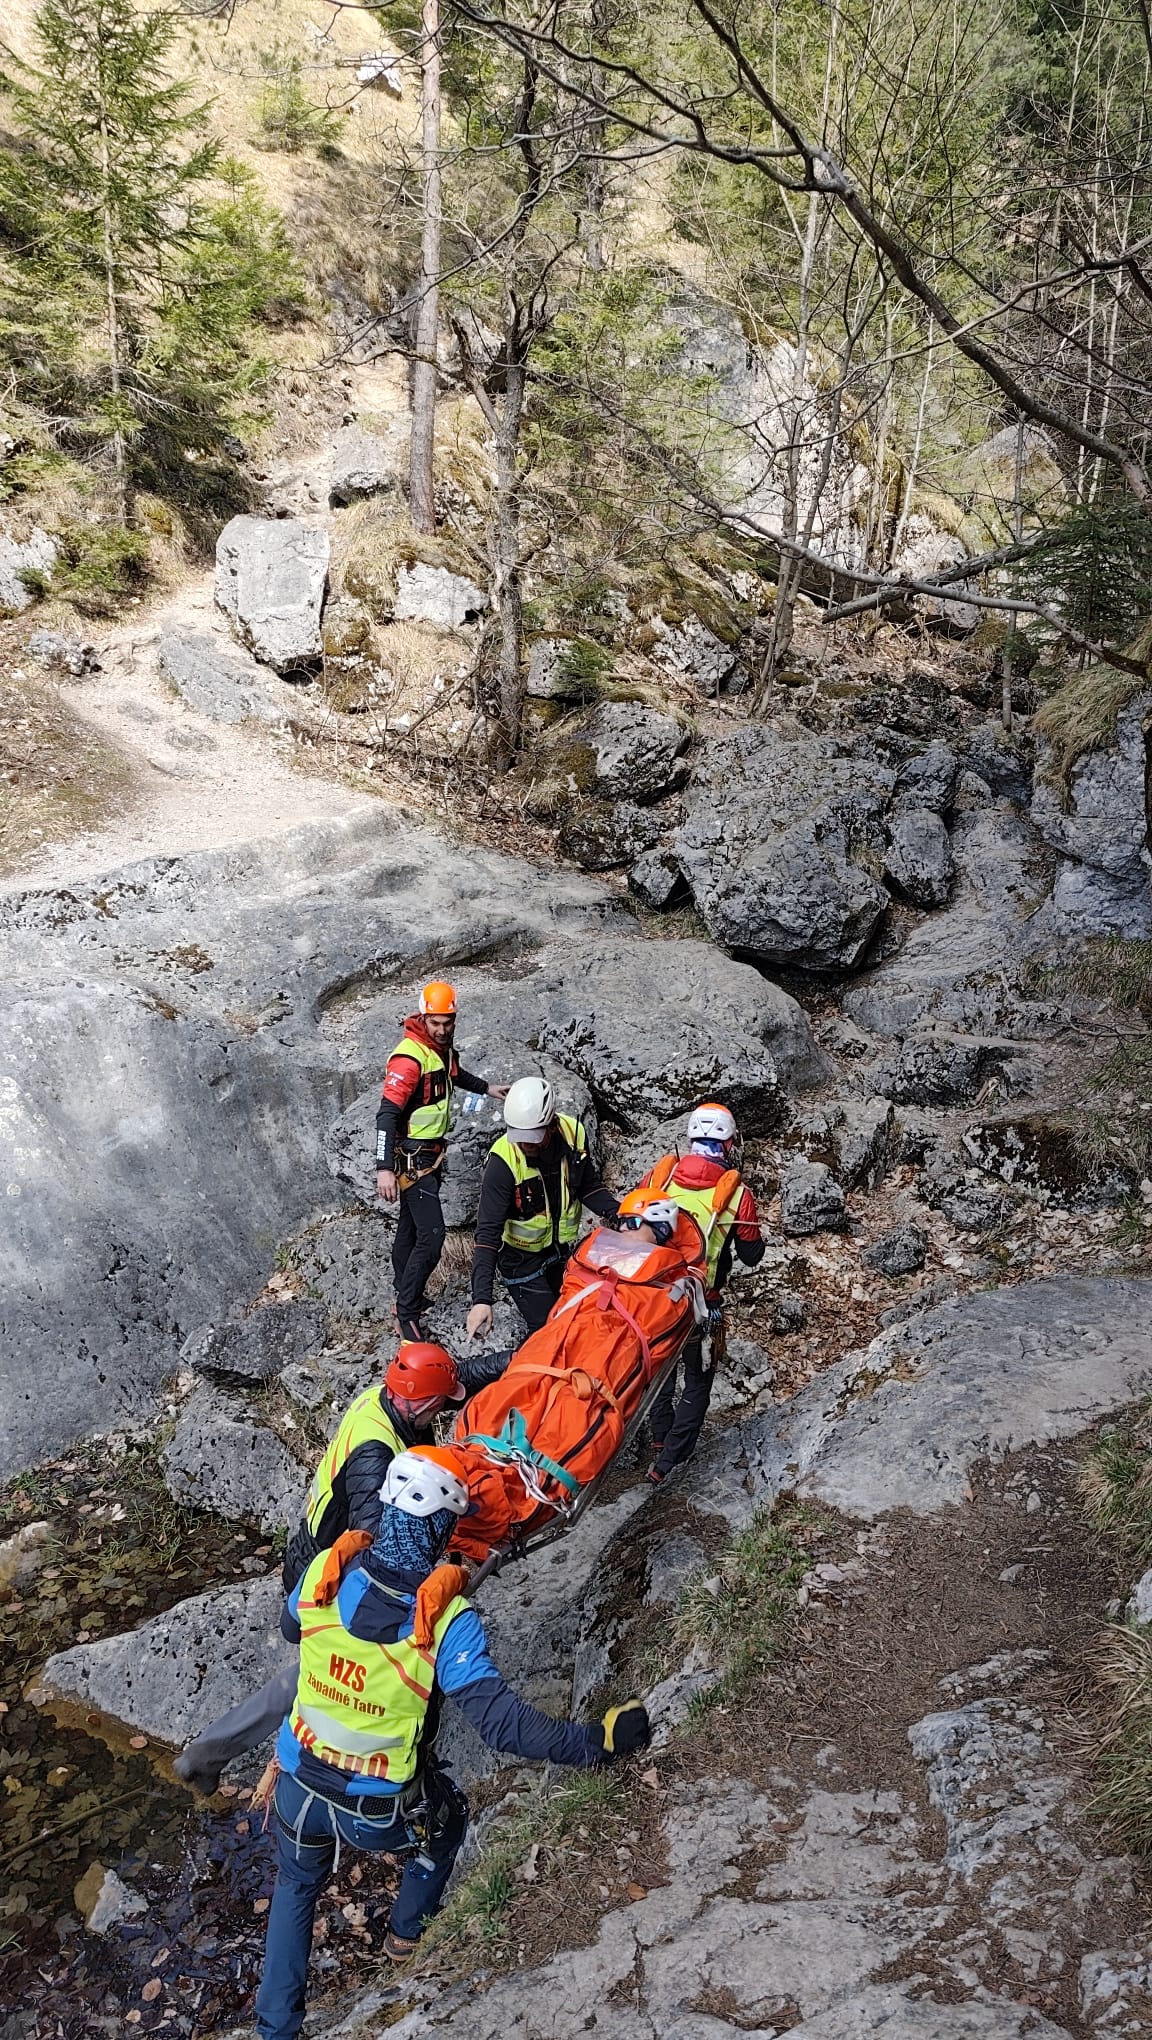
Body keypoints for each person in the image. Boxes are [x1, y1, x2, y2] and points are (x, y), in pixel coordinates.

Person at [252, 1446, 650, 2040]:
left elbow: (291, 1627)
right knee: (449, 1818)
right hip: (376, 1810)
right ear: (444, 1527)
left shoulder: (325, 1575)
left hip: (297, 1788)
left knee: (295, 1888)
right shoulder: (443, 1617)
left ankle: (274, 2030)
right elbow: (502, 1725)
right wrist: (599, 1742)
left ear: (385, 1509)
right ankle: (405, 1934)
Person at [173, 1342, 509, 1796]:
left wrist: (527, 1355)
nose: (442, 1414)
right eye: (439, 1408)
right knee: (332, 1672)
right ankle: (388, 1769)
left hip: (318, 1548)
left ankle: (204, 1757)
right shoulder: (375, 1454)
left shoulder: (389, 1397)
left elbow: (455, 1375)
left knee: (314, 1671)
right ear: (424, 1403)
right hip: (332, 1563)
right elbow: (384, 1541)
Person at [634, 1102, 765, 1485]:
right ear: (728, 1143)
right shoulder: (737, 1195)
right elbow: (752, 1255)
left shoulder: (661, 1176)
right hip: (701, 1303)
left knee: (660, 1370)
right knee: (697, 1380)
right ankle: (671, 1460)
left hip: (655, 1296)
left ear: (691, 1139)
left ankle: (659, 1439)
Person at [375, 981, 509, 1340]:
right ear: (422, 1017)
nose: (442, 1028)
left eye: (448, 1021)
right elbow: (387, 1114)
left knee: (410, 1228)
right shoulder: (409, 1057)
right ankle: (407, 1313)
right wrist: (384, 1167)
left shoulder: (441, 1050)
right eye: (435, 1022)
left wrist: (486, 1088)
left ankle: (405, 1294)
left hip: (430, 1157)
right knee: (432, 1236)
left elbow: (453, 1076)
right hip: (411, 1159)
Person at [466, 1076, 619, 1339]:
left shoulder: (574, 1134)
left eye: (532, 1138)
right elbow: (487, 1234)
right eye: (520, 1137)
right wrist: (482, 1299)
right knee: (549, 1331)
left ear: (551, 1124)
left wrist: (619, 1213)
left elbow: (587, 1186)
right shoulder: (503, 1162)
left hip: (560, 1250)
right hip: (520, 1260)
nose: (525, 1145)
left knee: (571, 1317)